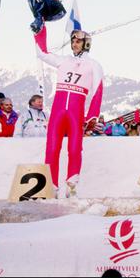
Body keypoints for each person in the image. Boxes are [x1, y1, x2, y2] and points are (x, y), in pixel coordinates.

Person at [33, 24, 104, 198]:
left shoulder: (94, 65)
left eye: (78, 40)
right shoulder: (64, 60)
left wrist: (92, 116)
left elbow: (98, 91)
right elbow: (42, 53)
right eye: (73, 40)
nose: (74, 43)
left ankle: (72, 186)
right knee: (52, 148)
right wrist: (39, 31)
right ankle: (52, 187)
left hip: (76, 111)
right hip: (58, 110)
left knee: (74, 148)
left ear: (86, 43)